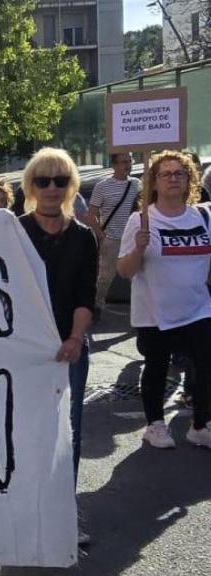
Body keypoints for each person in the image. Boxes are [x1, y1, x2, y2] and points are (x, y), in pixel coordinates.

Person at [18, 148, 97, 546]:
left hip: (70, 350)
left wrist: (74, 338)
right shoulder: (13, 233)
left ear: (71, 187)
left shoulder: (83, 237)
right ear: (31, 186)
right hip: (22, 354)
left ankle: (62, 514)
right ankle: (23, 511)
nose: (52, 188)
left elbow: (86, 295)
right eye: (43, 180)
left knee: (70, 433)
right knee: (23, 430)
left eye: (60, 180)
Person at [117, 150, 211, 450]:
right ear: (154, 182)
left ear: (189, 181)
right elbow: (125, 271)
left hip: (198, 308)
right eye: (166, 174)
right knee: (156, 366)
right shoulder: (141, 220)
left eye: (179, 174)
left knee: (207, 366)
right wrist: (138, 249)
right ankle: (155, 425)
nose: (173, 178)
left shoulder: (204, 217)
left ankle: (200, 426)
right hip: (155, 310)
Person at [86, 153, 142, 318]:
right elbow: (90, 215)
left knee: (137, 276)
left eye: (129, 161)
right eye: (124, 162)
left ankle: (138, 311)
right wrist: (101, 235)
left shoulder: (137, 184)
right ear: (114, 165)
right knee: (105, 277)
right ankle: (97, 307)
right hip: (112, 238)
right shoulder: (102, 186)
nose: (128, 165)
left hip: (132, 239)